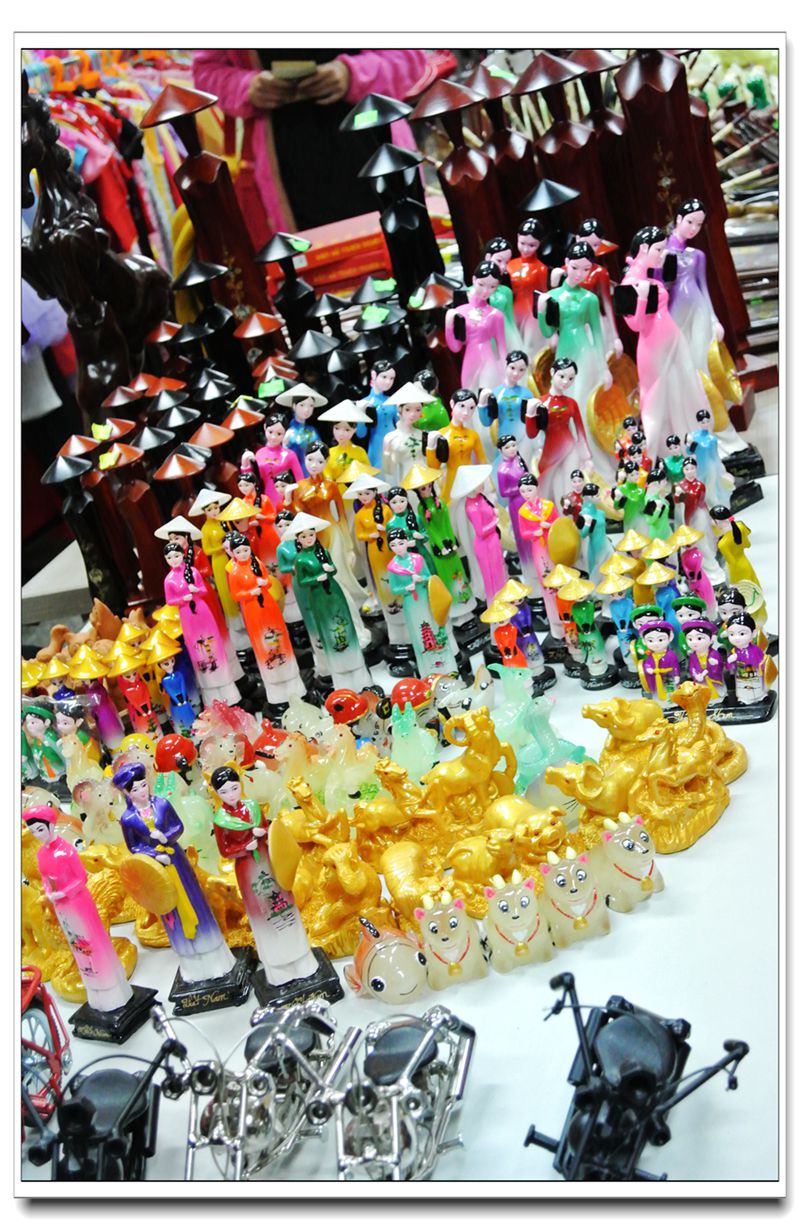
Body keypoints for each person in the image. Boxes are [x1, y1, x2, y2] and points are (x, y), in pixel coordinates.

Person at [192, 49, 429, 245]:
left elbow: (409, 57)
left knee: (405, 259)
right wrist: (248, 87)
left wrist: (351, 73)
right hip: (288, 175)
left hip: (378, 153)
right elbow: (206, 71)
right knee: (316, 273)